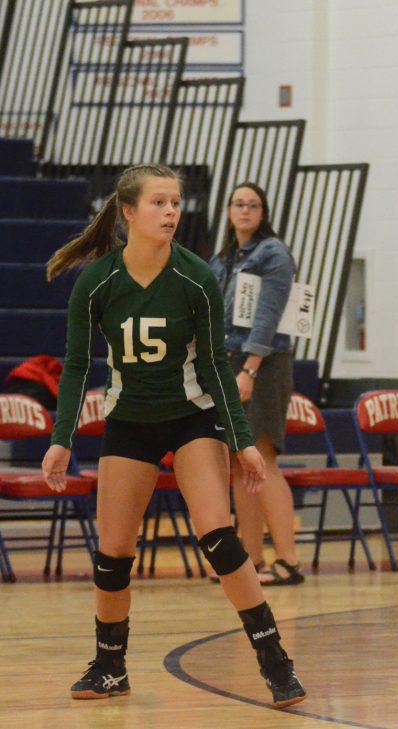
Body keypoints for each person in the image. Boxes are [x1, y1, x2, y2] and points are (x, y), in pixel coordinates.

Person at [40, 164, 307, 708]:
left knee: (219, 537)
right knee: (114, 552)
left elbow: (214, 365)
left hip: (191, 417)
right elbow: (75, 365)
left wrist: (242, 441)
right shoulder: (98, 282)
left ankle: (276, 662)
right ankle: (109, 667)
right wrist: (61, 437)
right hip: (130, 420)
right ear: (128, 212)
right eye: (158, 203)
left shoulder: (195, 277)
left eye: (176, 203)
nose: (170, 212)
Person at [208, 182, 303, 587]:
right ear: (229, 211)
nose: (245, 210)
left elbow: (267, 315)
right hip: (230, 361)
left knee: (262, 458)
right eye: (238, 204)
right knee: (238, 464)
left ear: (263, 213)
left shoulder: (273, 254)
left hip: (263, 365)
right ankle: (251, 560)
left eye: (253, 205)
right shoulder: (222, 258)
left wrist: (249, 370)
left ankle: (288, 560)